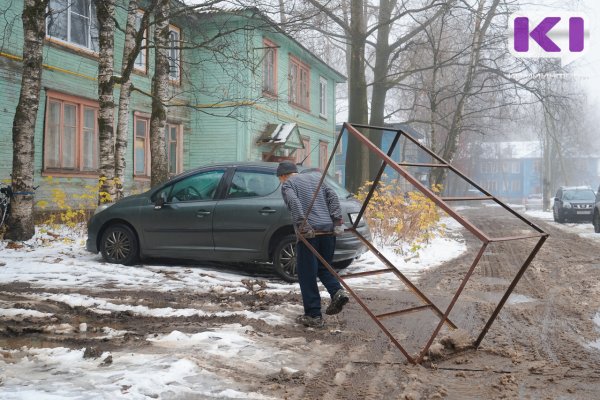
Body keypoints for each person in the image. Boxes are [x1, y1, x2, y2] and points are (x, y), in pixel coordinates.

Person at [277, 161, 350, 328]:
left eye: (279, 179)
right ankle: (337, 291)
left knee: (306, 274)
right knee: (324, 267)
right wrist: (337, 221)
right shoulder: (316, 178)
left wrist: (303, 225)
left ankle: (313, 315)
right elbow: (332, 196)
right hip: (328, 231)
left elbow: (294, 202)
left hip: (310, 233)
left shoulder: (288, 184)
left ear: (282, 176)